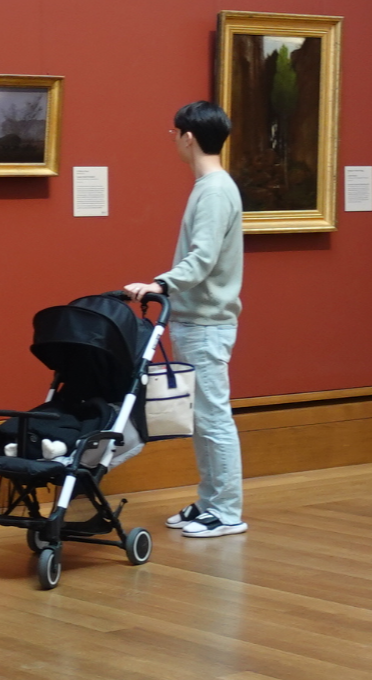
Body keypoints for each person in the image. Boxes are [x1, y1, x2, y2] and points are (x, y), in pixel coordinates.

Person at [125, 101, 246, 538]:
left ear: (188, 137)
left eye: (173, 133)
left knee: (213, 417)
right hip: (197, 321)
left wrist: (160, 284)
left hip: (206, 324)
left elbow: (203, 258)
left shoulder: (213, 191)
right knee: (202, 418)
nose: (173, 140)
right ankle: (210, 501)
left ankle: (227, 511)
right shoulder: (210, 187)